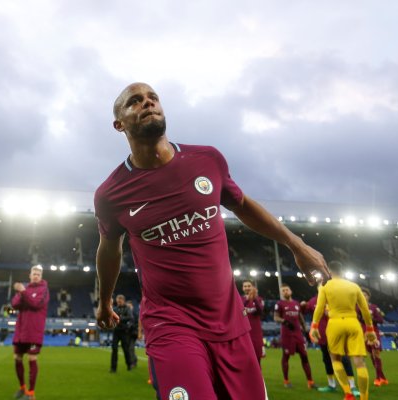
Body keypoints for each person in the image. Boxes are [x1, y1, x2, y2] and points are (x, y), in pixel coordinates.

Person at [94, 82, 331, 400]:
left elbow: (243, 205)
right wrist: (105, 301)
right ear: (118, 124)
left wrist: (297, 245)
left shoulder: (206, 159)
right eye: (135, 102)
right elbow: (109, 247)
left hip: (230, 321)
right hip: (171, 324)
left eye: (153, 98)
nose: (148, 103)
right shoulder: (111, 194)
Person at [309, 262, 378, 400]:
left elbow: (320, 308)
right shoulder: (354, 286)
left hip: (335, 323)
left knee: (335, 359)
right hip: (353, 323)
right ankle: (364, 397)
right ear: (342, 270)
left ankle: (348, 393)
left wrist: (314, 326)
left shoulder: (325, 286)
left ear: (329, 271)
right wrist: (370, 329)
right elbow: (365, 309)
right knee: (359, 362)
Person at [301, 292, 359, 394]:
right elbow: (304, 311)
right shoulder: (314, 300)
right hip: (322, 336)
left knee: (344, 359)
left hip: (337, 334)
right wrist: (302, 306)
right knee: (327, 360)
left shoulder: (337, 297)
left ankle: (353, 386)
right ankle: (331, 385)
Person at [11, 265, 50, 400]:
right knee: (17, 358)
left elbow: (35, 304)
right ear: (30, 275)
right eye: (34, 273)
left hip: (34, 333)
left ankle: (31, 393)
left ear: (41, 277)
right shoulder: (26, 289)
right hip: (21, 332)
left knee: (32, 358)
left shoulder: (44, 290)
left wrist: (23, 292)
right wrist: (23, 292)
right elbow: (15, 304)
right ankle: (22, 388)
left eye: (38, 274)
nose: (36, 276)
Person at [274, 284, 317, 389]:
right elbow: (275, 318)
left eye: (286, 290)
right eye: (283, 291)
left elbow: (301, 318)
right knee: (286, 357)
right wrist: (285, 321)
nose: (285, 292)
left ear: (290, 291)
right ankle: (286, 381)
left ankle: (310, 382)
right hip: (287, 335)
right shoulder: (279, 304)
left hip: (298, 335)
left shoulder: (296, 303)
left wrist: (306, 331)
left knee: (304, 356)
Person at [360, 287, 388, 386]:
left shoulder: (373, 307)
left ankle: (378, 378)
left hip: (374, 333)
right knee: (371, 356)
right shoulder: (356, 307)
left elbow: (380, 320)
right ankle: (382, 377)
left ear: (368, 297)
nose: (363, 296)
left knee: (376, 354)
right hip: (363, 334)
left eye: (365, 295)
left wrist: (370, 318)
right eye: (362, 295)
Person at [241, 279, 265, 365]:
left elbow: (260, 311)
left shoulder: (259, 299)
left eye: (249, 286)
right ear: (242, 288)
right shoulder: (239, 299)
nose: (247, 288)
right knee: (244, 357)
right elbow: (239, 311)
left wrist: (254, 299)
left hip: (256, 333)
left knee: (257, 357)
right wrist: (247, 300)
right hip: (244, 332)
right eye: (245, 286)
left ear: (252, 287)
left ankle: (259, 377)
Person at [109, 294, 134, 372]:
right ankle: (113, 368)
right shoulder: (115, 309)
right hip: (116, 331)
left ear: (123, 301)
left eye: (120, 301)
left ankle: (129, 364)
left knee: (126, 349)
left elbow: (130, 317)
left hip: (124, 331)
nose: (119, 302)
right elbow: (112, 317)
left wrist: (120, 318)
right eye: (118, 301)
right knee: (114, 349)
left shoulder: (127, 309)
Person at [126, 300, 139, 368]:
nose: (128, 307)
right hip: (128, 333)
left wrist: (131, 326)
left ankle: (133, 362)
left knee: (131, 348)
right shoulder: (127, 313)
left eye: (129, 306)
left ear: (132, 306)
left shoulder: (135, 314)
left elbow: (137, 324)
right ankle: (134, 360)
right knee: (129, 348)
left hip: (133, 333)